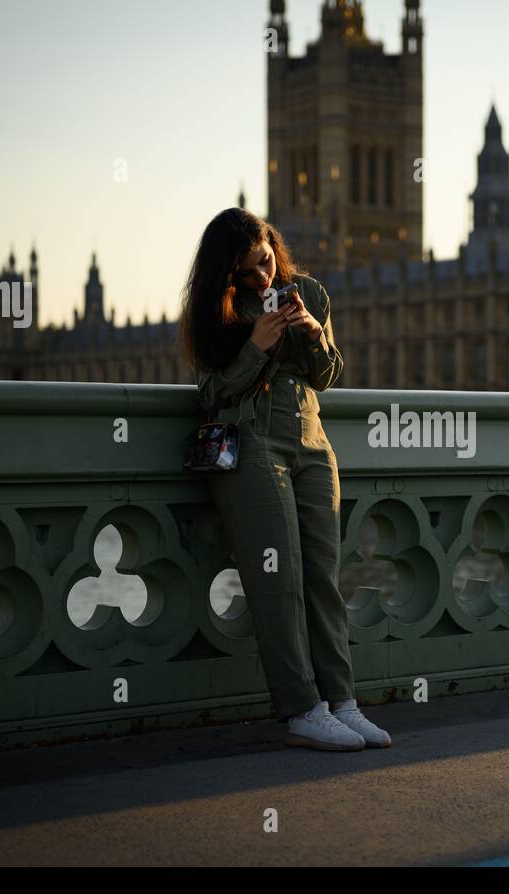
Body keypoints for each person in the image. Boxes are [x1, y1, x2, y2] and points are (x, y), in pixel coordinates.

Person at [176, 207, 391, 752]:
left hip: (313, 447)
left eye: (266, 263)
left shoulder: (311, 294)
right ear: (226, 275)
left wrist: (314, 334)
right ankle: (300, 708)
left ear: (275, 248)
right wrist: (256, 348)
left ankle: (343, 702)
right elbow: (210, 396)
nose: (262, 279)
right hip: (249, 447)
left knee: (323, 579)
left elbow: (328, 375)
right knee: (278, 583)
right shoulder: (217, 314)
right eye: (247, 272)